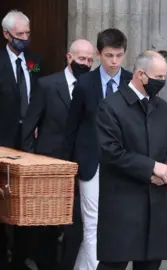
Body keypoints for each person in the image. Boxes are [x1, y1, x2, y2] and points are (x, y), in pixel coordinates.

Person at [95, 51, 167, 270]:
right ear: (141, 74)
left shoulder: (161, 107)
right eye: (158, 77)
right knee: (113, 265)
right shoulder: (111, 106)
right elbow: (112, 151)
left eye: (164, 77)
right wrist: (152, 167)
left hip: (155, 203)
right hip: (123, 205)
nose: (162, 82)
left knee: (150, 265)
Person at [22, 39, 95, 270]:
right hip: (49, 167)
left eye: (90, 60)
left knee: (77, 224)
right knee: (47, 225)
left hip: (81, 167)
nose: (86, 63)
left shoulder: (95, 87)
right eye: (82, 59)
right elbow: (29, 127)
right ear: (69, 57)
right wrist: (32, 164)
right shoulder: (47, 85)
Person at [63, 28, 132, 270]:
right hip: (90, 161)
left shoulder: (131, 82)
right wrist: (68, 168)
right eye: (109, 55)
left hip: (122, 165)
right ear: (99, 54)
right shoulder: (85, 83)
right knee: (92, 223)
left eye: (119, 56)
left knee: (115, 222)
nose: (114, 61)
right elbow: (71, 127)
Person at [0, 9, 45, 270]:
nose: (25, 38)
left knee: (27, 195)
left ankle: (22, 254)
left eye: (28, 33)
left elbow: (41, 95)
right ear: (7, 34)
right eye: (20, 34)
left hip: (30, 139)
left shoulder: (35, 60)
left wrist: (38, 124)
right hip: (3, 139)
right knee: (0, 195)